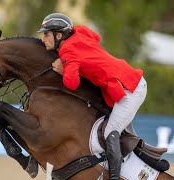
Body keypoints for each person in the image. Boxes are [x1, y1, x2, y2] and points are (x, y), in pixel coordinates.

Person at [37, 13, 147, 180]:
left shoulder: (68, 51)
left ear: (59, 35)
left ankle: (115, 177)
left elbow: (72, 83)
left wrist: (64, 67)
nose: (42, 39)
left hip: (131, 89)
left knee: (110, 131)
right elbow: (95, 36)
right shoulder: (78, 33)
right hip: (127, 79)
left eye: (46, 34)